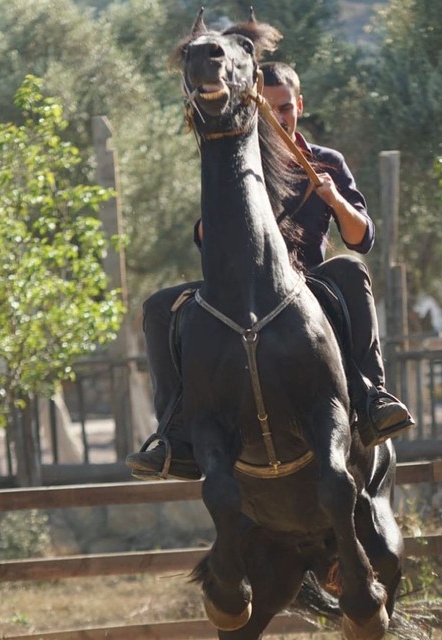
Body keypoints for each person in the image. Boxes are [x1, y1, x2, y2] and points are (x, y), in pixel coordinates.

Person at [126, 62, 413, 480]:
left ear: (299, 105)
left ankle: (373, 398)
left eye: (285, 109)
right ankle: (176, 436)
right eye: (269, 111)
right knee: (157, 307)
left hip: (311, 285)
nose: (278, 119)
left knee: (352, 268)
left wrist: (334, 200)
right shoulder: (238, 169)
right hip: (243, 291)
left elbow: (361, 237)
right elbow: (206, 241)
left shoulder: (326, 160)